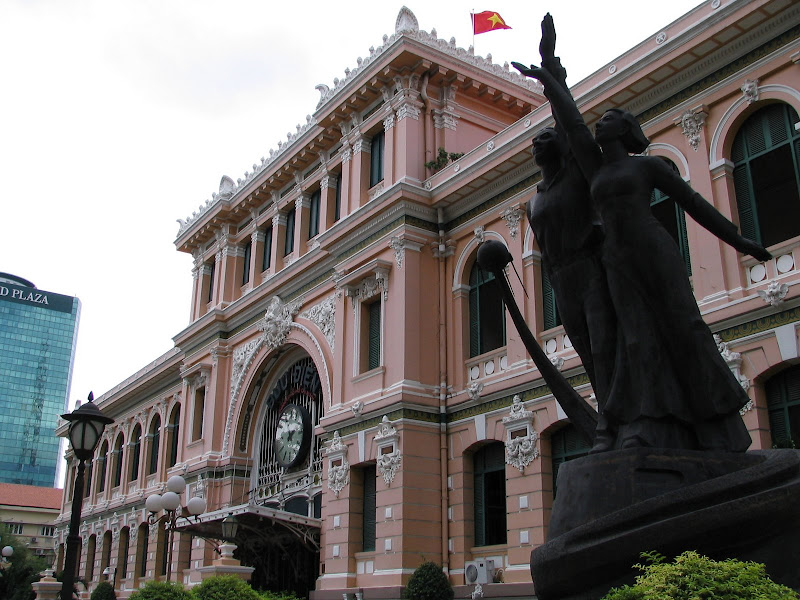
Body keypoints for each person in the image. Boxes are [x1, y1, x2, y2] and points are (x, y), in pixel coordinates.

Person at [513, 14, 772, 452]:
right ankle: (651, 422)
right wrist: (549, 75)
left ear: (626, 129)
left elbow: (694, 205)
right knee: (635, 338)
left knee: (683, 325)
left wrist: (739, 239)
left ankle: (717, 422)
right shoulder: (593, 168)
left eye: (611, 117)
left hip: (652, 249)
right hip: (616, 259)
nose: (602, 122)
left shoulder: (647, 166)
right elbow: (572, 124)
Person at [525, 50, 618, 452]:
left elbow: (572, 124)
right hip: (562, 280)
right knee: (587, 352)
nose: (538, 142)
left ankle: (616, 422)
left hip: (591, 268)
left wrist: (551, 76)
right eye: (535, 139)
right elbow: (543, 253)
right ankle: (611, 421)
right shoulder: (534, 203)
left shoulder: (577, 175)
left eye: (546, 137)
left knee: (606, 345)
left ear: (561, 147)